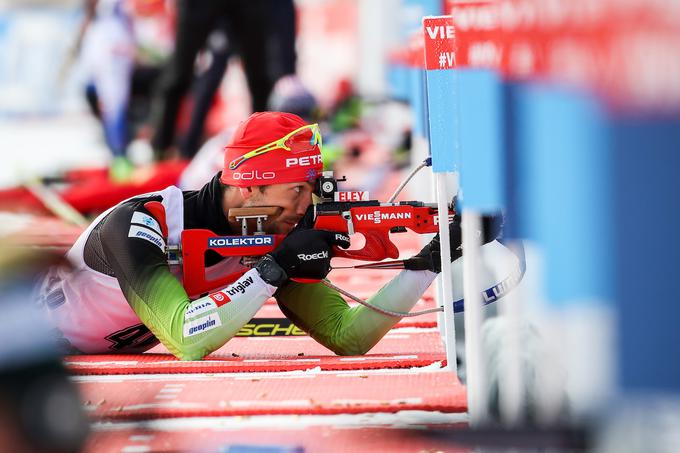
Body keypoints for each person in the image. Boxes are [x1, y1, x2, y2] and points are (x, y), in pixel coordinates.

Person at [37, 112, 476, 360]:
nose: (306, 207)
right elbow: (188, 339)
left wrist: (429, 264)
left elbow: (349, 336)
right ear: (250, 186)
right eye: (296, 191)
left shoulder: (269, 231)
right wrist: (273, 269)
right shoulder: (141, 222)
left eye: (312, 190)